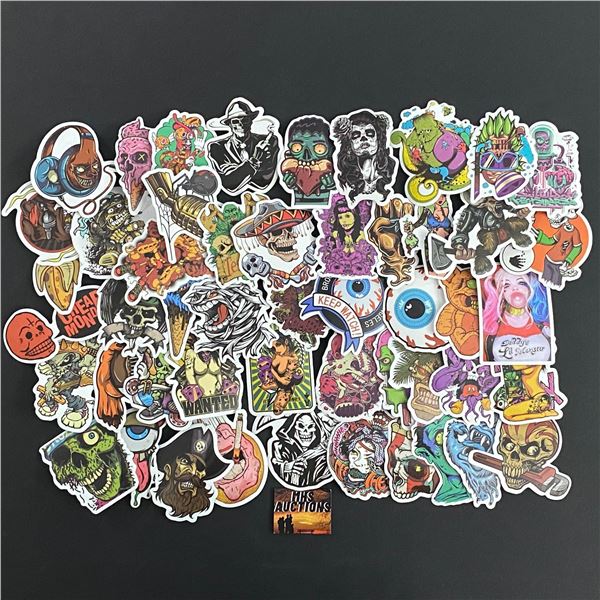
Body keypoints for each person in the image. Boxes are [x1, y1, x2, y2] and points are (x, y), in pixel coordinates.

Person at [208, 99, 280, 195]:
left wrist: (238, 173)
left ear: (251, 122)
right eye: (235, 121)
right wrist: (255, 160)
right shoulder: (217, 147)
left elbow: (264, 181)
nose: (241, 125)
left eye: (245, 120)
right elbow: (229, 183)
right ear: (229, 125)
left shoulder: (270, 141)